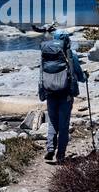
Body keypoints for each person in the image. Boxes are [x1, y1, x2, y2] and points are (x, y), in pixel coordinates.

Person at [37, 28, 86, 164]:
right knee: (63, 124)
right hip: (66, 94)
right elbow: (80, 75)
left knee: (52, 122)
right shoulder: (70, 54)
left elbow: (41, 73)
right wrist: (84, 77)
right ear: (66, 40)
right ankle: (61, 155)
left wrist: (42, 91)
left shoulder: (46, 54)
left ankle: (51, 148)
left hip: (50, 92)